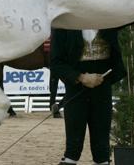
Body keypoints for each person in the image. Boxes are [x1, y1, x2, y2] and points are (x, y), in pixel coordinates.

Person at [51, 28, 126, 165]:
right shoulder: (62, 24)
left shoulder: (109, 21)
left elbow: (119, 58)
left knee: (102, 148)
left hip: (102, 88)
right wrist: (80, 77)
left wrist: (106, 80)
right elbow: (55, 62)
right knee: (72, 148)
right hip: (75, 89)